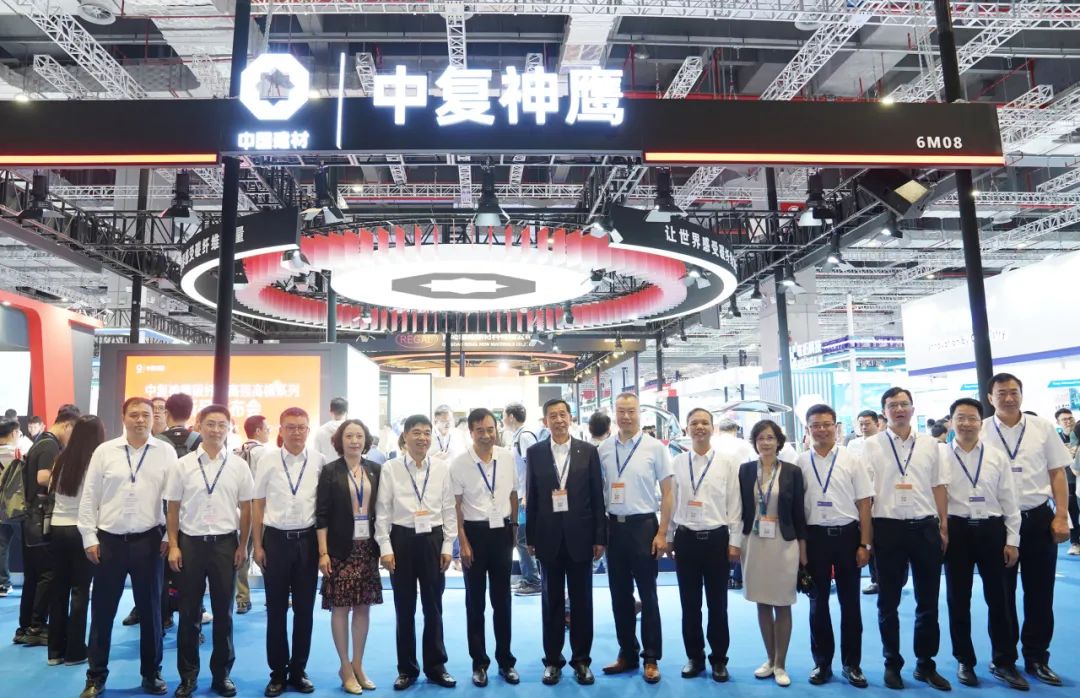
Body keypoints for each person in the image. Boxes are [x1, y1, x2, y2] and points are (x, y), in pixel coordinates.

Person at [78, 397, 178, 698]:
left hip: (150, 541)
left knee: (151, 611)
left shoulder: (165, 452)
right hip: (109, 542)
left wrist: (169, 536)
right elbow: (89, 496)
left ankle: (151, 673)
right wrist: (89, 536)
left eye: (146, 414)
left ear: (154, 417)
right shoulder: (105, 451)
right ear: (123, 417)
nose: (140, 420)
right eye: (134, 415)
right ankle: (96, 676)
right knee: (103, 611)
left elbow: (175, 499)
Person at [982, 374, 1071, 686]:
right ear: (990, 398)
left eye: (1014, 392)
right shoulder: (980, 430)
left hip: (1037, 519)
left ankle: (1036, 658)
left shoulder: (1041, 427)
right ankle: (1003, 660)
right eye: (1001, 393)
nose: (1009, 398)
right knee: (1000, 595)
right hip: (998, 523)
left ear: (1021, 394)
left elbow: (1057, 473)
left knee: (1040, 593)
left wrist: (1062, 516)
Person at [863, 387, 950, 691]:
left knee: (928, 600)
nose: (899, 409)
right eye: (892, 405)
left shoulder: (931, 445)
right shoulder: (870, 445)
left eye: (904, 404)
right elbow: (866, 495)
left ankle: (925, 664)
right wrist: (867, 537)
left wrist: (943, 526)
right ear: (883, 412)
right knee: (888, 601)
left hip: (925, 528)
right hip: (887, 528)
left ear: (913, 408)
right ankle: (892, 663)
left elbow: (939, 485)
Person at [166, 405, 254, 698]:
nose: (216, 430)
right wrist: (174, 545)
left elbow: (246, 509)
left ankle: (221, 675)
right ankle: (188, 676)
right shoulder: (183, 465)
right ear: (199, 425)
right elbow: (173, 507)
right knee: (188, 613)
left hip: (225, 545)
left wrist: (242, 545)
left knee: (224, 613)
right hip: (190, 544)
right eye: (211, 424)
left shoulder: (239, 466)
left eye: (222, 425)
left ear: (229, 428)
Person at [941, 398, 1027, 690]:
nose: (966, 424)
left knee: (1000, 598)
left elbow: (1010, 500)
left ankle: (1004, 661)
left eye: (972, 418)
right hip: (957, 531)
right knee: (958, 598)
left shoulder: (996, 456)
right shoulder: (940, 456)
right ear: (951, 422)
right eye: (960, 418)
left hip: (992, 530)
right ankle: (964, 660)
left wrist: (1012, 540)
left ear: (981, 422)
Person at [525, 398, 606, 686]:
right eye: (553, 416)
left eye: (563, 414)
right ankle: (553, 660)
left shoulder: (588, 451)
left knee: (582, 602)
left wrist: (599, 537)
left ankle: (581, 660)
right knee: (551, 602)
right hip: (548, 538)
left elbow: (597, 496)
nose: (558, 420)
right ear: (545, 421)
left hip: (581, 537)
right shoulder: (535, 452)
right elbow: (532, 496)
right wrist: (530, 537)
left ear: (570, 418)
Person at [374, 414, 457, 690]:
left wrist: (448, 545)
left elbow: (448, 509)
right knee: (404, 607)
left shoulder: (441, 468)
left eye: (427, 433)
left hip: (433, 538)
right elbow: (383, 511)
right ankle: (407, 669)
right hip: (402, 539)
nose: (423, 438)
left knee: (434, 606)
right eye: (417, 432)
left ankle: (436, 666)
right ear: (405, 436)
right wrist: (385, 547)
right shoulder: (391, 468)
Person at [597, 393, 673, 683]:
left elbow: (668, 493)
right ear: (614, 414)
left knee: (648, 595)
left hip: (644, 527)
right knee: (619, 595)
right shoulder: (604, 449)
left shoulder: (655, 448)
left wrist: (663, 532)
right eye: (621, 411)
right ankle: (627, 653)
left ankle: (651, 658)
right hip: (614, 528)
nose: (626, 416)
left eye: (631, 411)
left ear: (640, 413)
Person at [797, 405, 874, 688]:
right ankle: (822, 663)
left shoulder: (852, 459)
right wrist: (801, 549)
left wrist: (865, 543)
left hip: (847, 537)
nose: (821, 430)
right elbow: (796, 509)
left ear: (836, 427)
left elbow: (864, 504)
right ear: (807, 430)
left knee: (850, 603)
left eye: (826, 424)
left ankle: (852, 664)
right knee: (817, 603)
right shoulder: (800, 462)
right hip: (814, 538)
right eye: (815, 425)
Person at [252, 407, 326, 697]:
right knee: (276, 610)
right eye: (290, 427)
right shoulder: (267, 460)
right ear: (281, 430)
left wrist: (323, 549)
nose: (296, 432)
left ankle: (298, 670)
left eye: (301, 427)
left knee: (305, 610)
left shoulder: (319, 461)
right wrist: (258, 545)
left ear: (308, 430)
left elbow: (323, 508)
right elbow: (258, 503)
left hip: (307, 541)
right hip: (276, 541)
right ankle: (277, 673)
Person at [667, 408, 741, 683]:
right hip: (686, 539)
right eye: (694, 423)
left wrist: (735, 542)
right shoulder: (677, 463)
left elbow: (735, 504)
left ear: (712, 428)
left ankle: (719, 659)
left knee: (718, 604)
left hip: (716, 540)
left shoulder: (727, 462)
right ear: (686, 429)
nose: (699, 427)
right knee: (690, 604)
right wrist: (670, 536)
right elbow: (672, 501)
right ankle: (695, 657)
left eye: (704, 423)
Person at [451, 408, 520, 687]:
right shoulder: (459, 463)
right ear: (471, 432)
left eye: (490, 429)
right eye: (480, 430)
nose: (486, 435)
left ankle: (506, 661)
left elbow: (513, 494)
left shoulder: (507, 457)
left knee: (503, 601)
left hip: (502, 532)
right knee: (475, 602)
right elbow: (456, 506)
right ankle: (479, 663)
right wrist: (463, 542)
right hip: (474, 535)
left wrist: (514, 527)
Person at [737, 419, 807, 687]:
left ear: (778, 442)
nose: (765, 443)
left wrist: (803, 550)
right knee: (762, 602)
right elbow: (740, 509)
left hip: (783, 543)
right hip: (754, 542)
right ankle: (769, 659)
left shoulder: (792, 471)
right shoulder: (745, 471)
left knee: (782, 602)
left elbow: (799, 513)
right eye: (760, 438)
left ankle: (781, 664)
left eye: (770, 438)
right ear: (754, 442)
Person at [315, 419, 383, 695]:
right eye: (349, 436)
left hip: (367, 549)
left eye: (359, 436)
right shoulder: (330, 471)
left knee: (363, 607)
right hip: (340, 550)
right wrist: (323, 552)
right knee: (341, 608)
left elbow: (382, 510)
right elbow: (321, 515)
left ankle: (358, 664)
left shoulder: (375, 469)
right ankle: (344, 666)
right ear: (339, 441)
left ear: (366, 440)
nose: (354, 441)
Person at [125, 393, 201, 630]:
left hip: (161, 517)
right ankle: (193, 623)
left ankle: (162, 616)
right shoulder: (199, 440)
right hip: (192, 517)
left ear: (167, 413)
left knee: (159, 575)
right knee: (190, 577)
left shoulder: (158, 443)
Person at [18, 405, 80, 646]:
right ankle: (36, 626)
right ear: (68, 425)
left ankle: (26, 626)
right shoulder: (49, 445)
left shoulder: (40, 442)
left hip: (31, 519)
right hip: (39, 519)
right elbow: (43, 477)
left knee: (34, 575)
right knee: (47, 574)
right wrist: (71, 479)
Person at [46, 415, 105, 666]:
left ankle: (54, 651)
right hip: (82, 531)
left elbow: (50, 489)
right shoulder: (94, 463)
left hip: (57, 529)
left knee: (58, 591)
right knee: (80, 591)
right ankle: (75, 651)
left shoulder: (60, 460)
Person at [503, 402, 541, 597]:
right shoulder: (517, 436)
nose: (503, 419)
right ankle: (529, 577)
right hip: (520, 495)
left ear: (511, 417)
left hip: (525, 497)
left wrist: (527, 494)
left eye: (504, 415)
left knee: (522, 538)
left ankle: (533, 580)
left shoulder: (525, 436)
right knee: (521, 538)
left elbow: (534, 466)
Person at [234, 414, 270, 615]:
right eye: (266, 429)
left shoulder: (235, 452)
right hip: (260, 509)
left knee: (242, 553)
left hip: (241, 509)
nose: (268, 432)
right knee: (264, 553)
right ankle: (272, 596)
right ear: (257, 431)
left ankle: (242, 599)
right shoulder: (265, 454)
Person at [847, 410, 882, 594]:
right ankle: (876, 580)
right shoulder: (853, 445)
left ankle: (890, 579)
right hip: (859, 499)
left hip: (880, 499)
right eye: (860, 424)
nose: (863, 427)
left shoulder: (884, 443)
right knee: (866, 540)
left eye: (867, 423)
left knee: (880, 542)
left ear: (878, 424)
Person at [1054, 408, 1079, 555]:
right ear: (1058, 422)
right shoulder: (1055, 440)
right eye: (1064, 419)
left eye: (1070, 418)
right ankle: (1075, 542)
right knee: (1073, 513)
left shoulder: (1079, 434)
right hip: (1067, 482)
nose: (1068, 422)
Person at [0, 418, 21, 597]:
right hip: (18, 507)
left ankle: (3, 584)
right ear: (14, 433)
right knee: (31, 546)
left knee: (1, 546)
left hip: (1, 508)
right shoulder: (19, 452)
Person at [315, 398, 349, 463]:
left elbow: (316, 455)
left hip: (326, 467)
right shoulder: (352, 431)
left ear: (330, 411)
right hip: (347, 468)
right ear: (346, 412)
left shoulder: (320, 430)